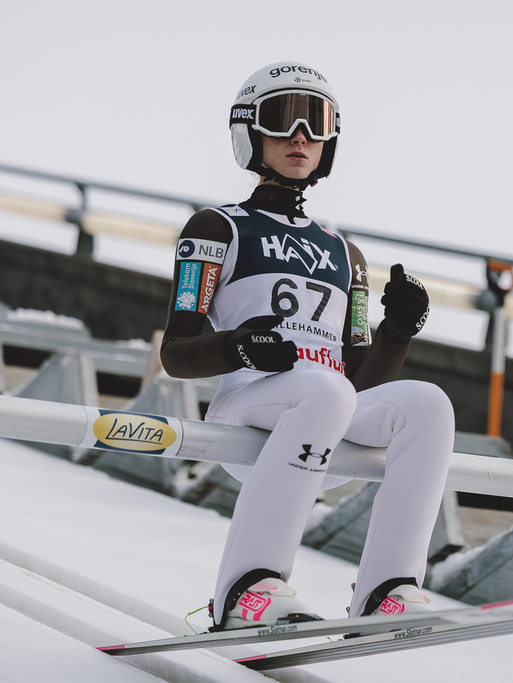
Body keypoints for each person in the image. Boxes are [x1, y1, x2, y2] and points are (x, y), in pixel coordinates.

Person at [160, 61, 455, 631]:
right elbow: (176, 351)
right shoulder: (216, 228)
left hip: (328, 412)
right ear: (249, 131)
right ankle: (246, 590)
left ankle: (388, 590)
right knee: (325, 391)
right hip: (249, 407)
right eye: (282, 118)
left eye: (316, 124)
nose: (300, 136)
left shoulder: (347, 256)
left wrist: (396, 332)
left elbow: (360, 382)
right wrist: (239, 349)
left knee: (428, 404)